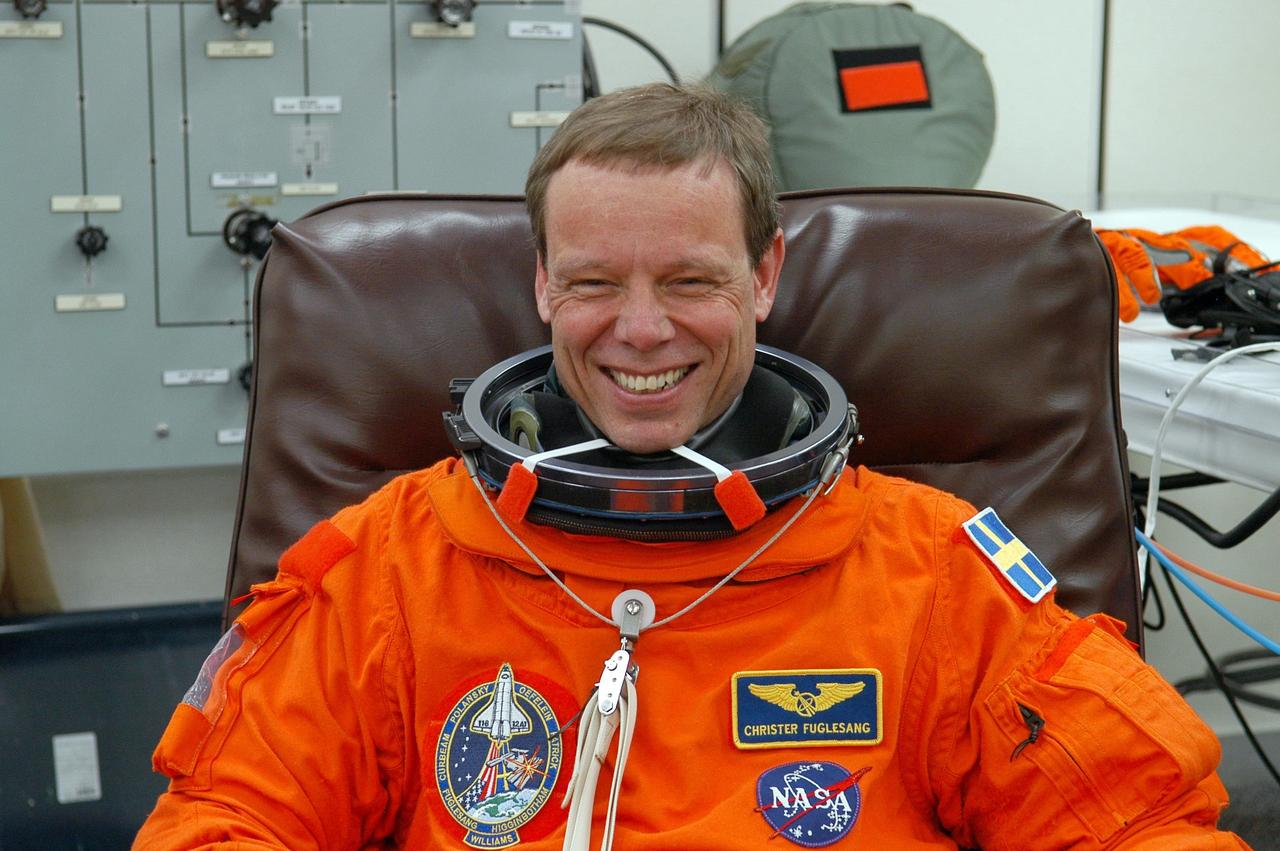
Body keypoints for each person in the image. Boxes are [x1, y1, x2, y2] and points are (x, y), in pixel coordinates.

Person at [135, 83, 1246, 850]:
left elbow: (1135, 817)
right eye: (591, 282)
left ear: (763, 273)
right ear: (539, 285)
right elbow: (231, 814)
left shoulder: (932, 575)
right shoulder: (391, 566)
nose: (639, 330)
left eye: (687, 280)